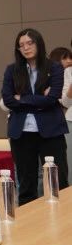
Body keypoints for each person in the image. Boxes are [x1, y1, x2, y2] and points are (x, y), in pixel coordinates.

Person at [1, 29, 69, 203]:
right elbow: (8, 100)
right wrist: (40, 99)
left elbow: (53, 98)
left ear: (39, 43)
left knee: (58, 182)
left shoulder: (54, 67)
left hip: (51, 131)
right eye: (21, 45)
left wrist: (22, 99)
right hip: (22, 133)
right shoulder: (12, 70)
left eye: (30, 43)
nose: (26, 48)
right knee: (26, 185)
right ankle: (28, 219)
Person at [49, 46, 72, 178]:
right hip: (60, 123)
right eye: (65, 58)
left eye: (70, 58)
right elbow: (65, 101)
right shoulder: (64, 74)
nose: (69, 61)